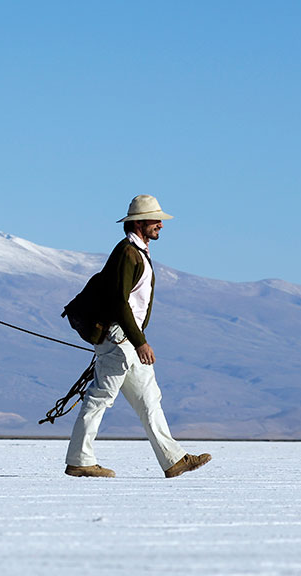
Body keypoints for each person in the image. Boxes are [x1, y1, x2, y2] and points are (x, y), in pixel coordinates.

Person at [64, 195, 211, 479]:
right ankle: (80, 460)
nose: (161, 226)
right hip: (121, 338)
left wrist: (138, 339)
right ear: (140, 223)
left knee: (149, 399)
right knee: (100, 397)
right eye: (156, 221)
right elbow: (120, 303)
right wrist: (139, 341)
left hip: (128, 338)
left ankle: (174, 459)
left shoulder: (137, 251)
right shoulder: (127, 253)